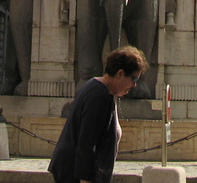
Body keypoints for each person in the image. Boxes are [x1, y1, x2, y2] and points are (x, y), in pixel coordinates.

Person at [48, 46, 147, 183]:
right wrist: (86, 180)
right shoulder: (101, 96)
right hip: (74, 173)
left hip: (71, 168)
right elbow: (88, 143)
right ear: (120, 74)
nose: (134, 85)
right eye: (134, 79)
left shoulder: (98, 87)